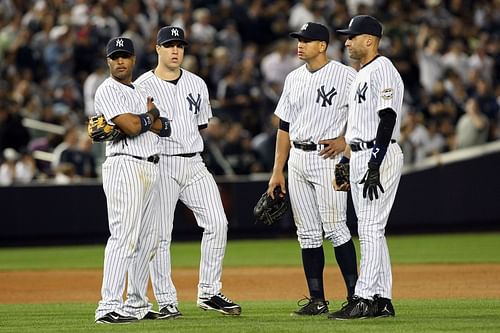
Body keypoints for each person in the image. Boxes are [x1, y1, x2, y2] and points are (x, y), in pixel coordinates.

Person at [134, 26, 241, 317]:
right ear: (157, 48)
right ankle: (167, 300)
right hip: (161, 163)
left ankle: (209, 292)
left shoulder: (197, 83)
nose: (175, 50)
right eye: (169, 45)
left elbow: (201, 124)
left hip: (194, 162)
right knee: (160, 235)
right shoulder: (141, 86)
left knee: (218, 223)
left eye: (179, 45)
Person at [266, 22, 358, 316]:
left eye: (307, 40)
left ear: (322, 46)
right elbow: (284, 127)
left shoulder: (346, 76)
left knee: (336, 228)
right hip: (297, 159)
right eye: (299, 39)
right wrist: (277, 170)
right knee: (306, 233)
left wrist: (345, 142)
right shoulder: (293, 78)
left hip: (327, 158)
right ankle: (317, 299)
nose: (300, 44)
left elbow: (362, 115)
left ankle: (356, 298)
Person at [330, 15, 404, 320]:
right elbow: (359, 125)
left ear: (369, 40)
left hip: (378, 153)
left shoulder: (383, 69)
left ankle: (362, 297)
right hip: (361, 153)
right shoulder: (363, 73)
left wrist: (375, 160)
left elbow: (387, 118)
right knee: (372, 230)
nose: (346, 42)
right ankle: (382, 300)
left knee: (371, 227)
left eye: (352, 36)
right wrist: (347, 160)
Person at [94, 37, 171, 324]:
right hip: (125, 166)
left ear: (134, 60)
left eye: (125, 56)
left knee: (148, 240)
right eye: (115, 57)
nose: (120, 61)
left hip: (151, 166)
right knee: (124, 237)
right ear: (108, 61)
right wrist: (148, 117)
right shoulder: (107, 89)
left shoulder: (140, 89)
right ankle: (108, 306)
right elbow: (132, 126)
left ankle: (136, 304)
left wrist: (146, 119)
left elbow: (164, 127)